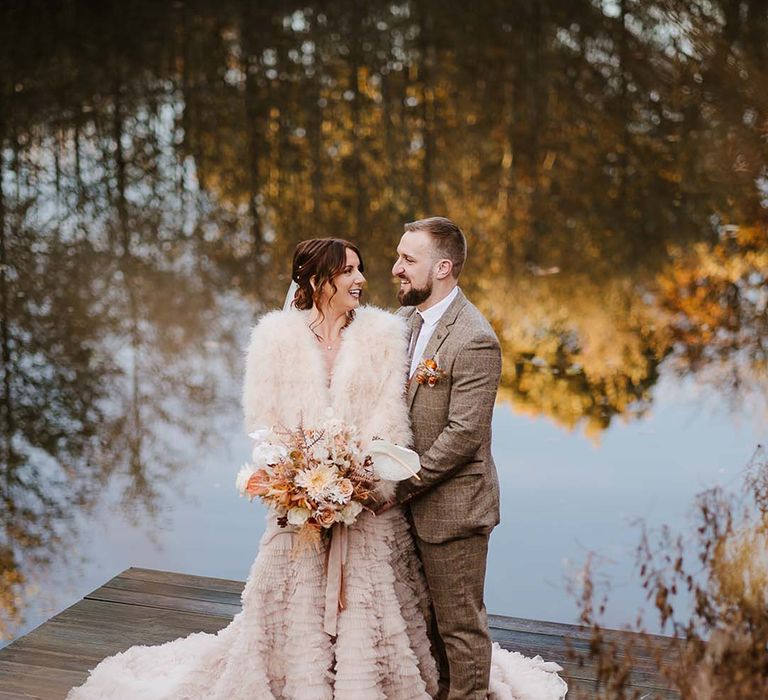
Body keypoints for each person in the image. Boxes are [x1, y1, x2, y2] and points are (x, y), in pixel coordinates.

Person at [67, 237, 566, 699]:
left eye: (361, 269)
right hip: (298, 505)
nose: (362, 279)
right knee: (293, 609)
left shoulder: (381, 334)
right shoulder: (275, 339)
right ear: (316, 280)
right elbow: (264, 423)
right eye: (348, 270)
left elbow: (391, 421)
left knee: (381, 613)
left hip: (370, 505)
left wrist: (362, 479)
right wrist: (295, 479)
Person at [387, 216, 504, 699]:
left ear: (443, 268)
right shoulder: (406, 323)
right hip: (414, 504)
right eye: (398, 256)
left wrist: (399, 485)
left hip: (454, 508)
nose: (396, 268)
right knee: (428, 620)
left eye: (408, 260)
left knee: (460, 626)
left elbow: (463, 435)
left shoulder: (474, 338)